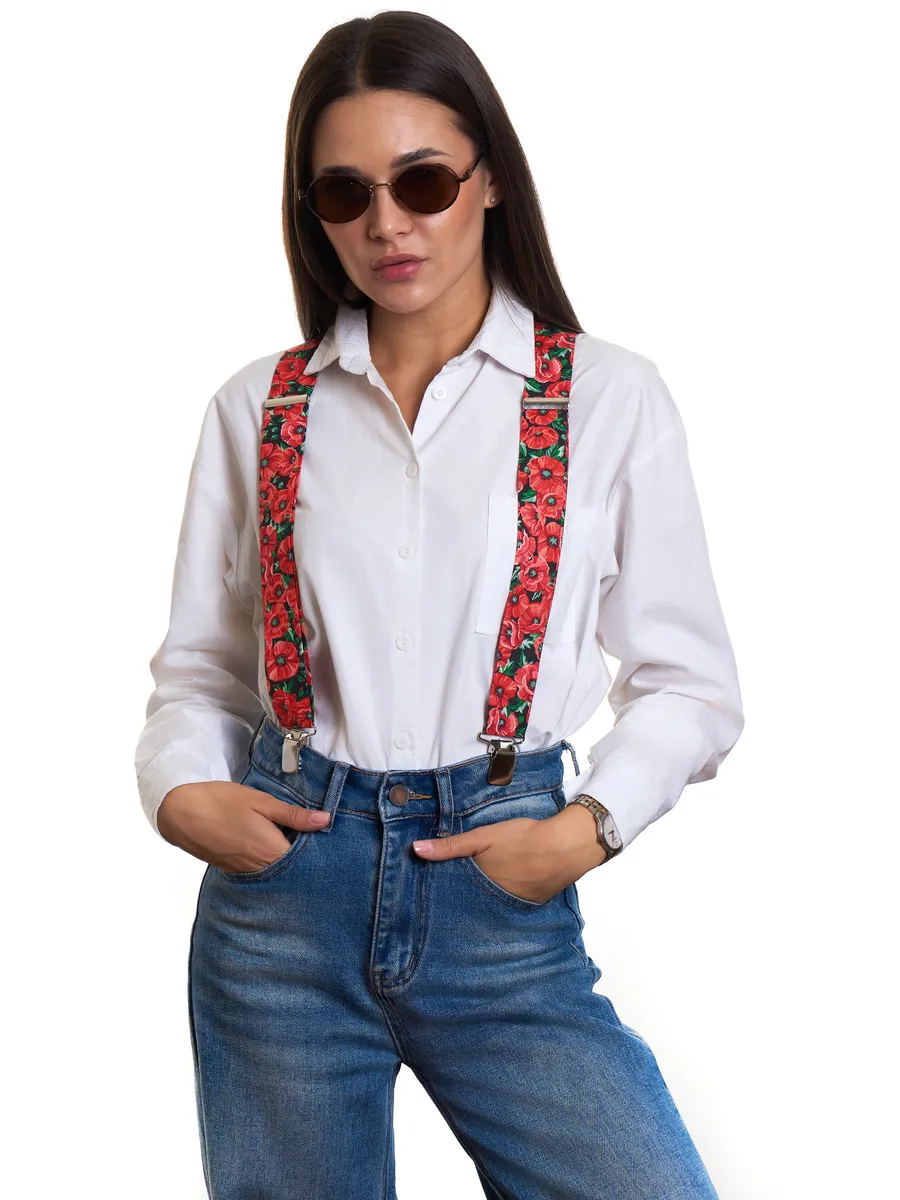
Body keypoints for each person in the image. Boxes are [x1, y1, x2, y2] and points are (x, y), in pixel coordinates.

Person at [133, 11, 744, 1199]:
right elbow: (202, 670)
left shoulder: (606, 399)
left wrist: (587, 828)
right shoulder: (261, 408)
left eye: (422, 181)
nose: (387, 224)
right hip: (283, 909)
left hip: (500, 896)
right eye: (344, 194)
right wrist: (178, 791)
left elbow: (690, 682)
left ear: (489, 180)